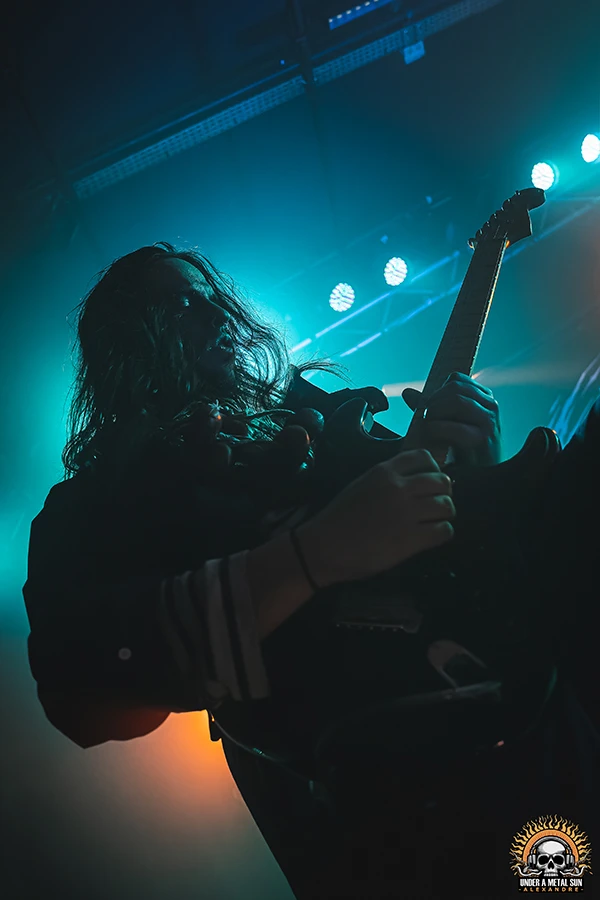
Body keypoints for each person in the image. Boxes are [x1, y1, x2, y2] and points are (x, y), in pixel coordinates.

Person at [23, 242, 598, 898]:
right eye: (179, 303)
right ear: (128, 347)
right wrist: (313, 554)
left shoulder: (320, 417)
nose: (213, 312)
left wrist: (474, 471)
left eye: (212, 295)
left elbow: (460, 550)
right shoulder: (101, 501)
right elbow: (81, 689)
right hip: (397, 819)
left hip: (544, 730)